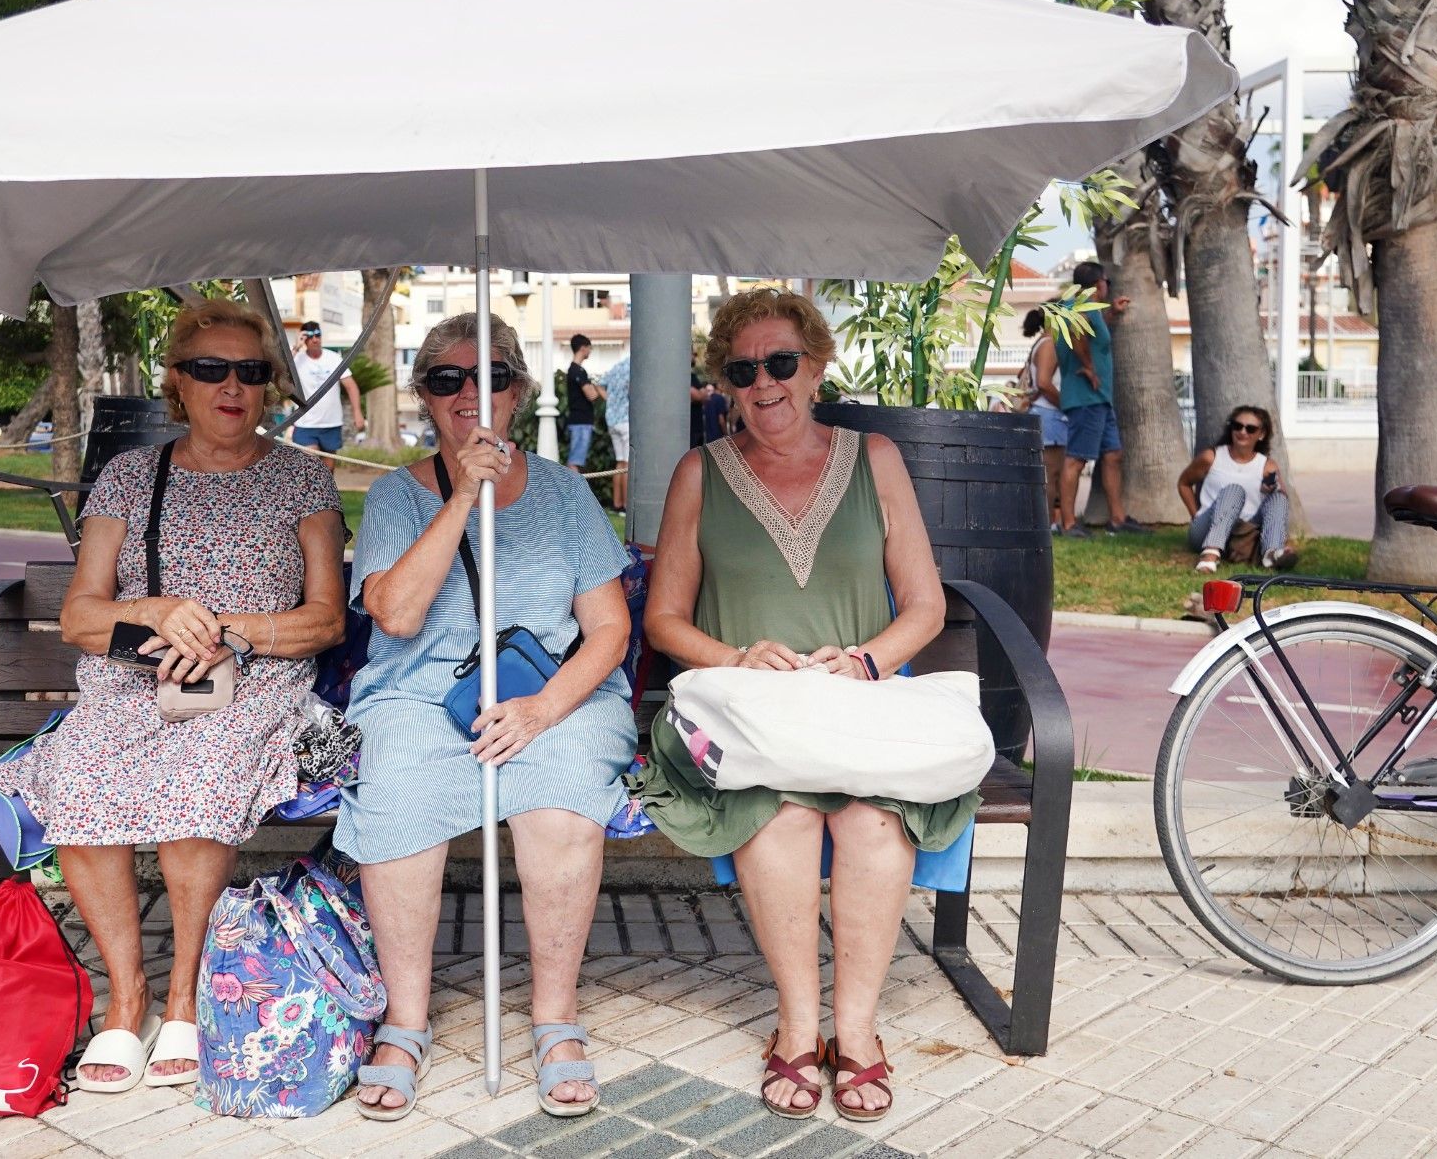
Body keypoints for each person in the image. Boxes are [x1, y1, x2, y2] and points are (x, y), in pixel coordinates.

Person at [0, 298, 347, 1093]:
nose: (233, 387)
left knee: (199, 774)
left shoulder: (301, 477)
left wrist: (235, 630)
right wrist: (149, 609)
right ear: (177, 381)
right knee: (78, 773)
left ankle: (185, 990)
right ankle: (128, 996)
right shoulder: (130, 474)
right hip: (133, 680)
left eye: (250, 372)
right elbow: (80, 615)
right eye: (211, 369)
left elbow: (325, 618)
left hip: (256, 681)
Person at [629, 287, 973, 1125]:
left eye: (781, 362)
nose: (764, 383)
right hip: (743, 721)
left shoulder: (876, 458)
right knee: (780, 814)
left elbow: (924, 607)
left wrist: (865, 661)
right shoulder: (698, 473)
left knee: (871, 817)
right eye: (742, 371)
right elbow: (664, 618)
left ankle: (856, 1031)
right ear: (725, 383)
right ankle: (795, 1023)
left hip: (857, 709)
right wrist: (737, 657)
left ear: (816, 367)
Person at [337, 313, 634, 1123]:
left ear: (520, 390)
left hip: (552, 692)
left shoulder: (568, 494)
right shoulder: (398, 494)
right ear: (426, 397)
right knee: (397, 780)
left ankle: (555, 1019)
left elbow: (609, 631)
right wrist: (463, 493)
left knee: (564, 789)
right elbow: (393, 615)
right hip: (422, 695)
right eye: (448, 379)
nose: (473, 394)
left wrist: (541, 710)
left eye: (493, 375)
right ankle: (405, 1021)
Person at [1053, 262, 1139, 537]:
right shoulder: (1080, 306)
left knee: (1112, 455)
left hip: (1099, 399)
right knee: (1076, 460)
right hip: (1086, 398)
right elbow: (1078, 334)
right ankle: (1067, 523)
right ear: (1098, 283)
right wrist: (1088, 366)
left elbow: (1092, 333)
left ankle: (1117, 518)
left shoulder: (1089, 308)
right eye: (1107, 282)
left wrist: (1112, 312)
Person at [1177, 404, 1299, 573]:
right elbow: (1184, 483)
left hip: (1243, 531)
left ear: (1261, 434)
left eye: (1250, 429)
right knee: (1234, 490)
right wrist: (1196, 514)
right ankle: (1210, 554)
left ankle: (1272, 553)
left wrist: (1270, 489)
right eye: (1237, 426)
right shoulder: (1212, 457)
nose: (1242, 432)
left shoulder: (1267, 465)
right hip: (1208, 527)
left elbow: (1279, 505)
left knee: (1278, 496)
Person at [1017, 308, 1066, 523]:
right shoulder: (1049, 344)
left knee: (1048, 474)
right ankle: (1047, 523)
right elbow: (1044, 383)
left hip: (1042, 412)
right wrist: (1067, 405)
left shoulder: (1040, 344)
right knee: (1051, 474)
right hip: (1050, 414)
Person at [290, 320, 365, 455]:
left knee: (328, 470)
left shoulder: (334, 358)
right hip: (305, 424)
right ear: (304, 339)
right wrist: (296, 346)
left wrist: (357, 413)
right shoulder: (296, 359)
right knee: (311, 466)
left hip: (331, 423)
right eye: (309, 336)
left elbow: (351, 387)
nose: (314, 339)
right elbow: (281, 371)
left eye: (317, 335)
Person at [565, 334, 602, 472]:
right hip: (581, 422)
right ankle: (571, 492)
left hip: (580, 421)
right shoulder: (577, 371)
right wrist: (597, 389)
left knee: (576, 459)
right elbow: (591, 395)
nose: (590, 351)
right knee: (575, 461)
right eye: (589, 348)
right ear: (582, 348)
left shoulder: (574, 370)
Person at [601, 353, 631, 512]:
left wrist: (611, 401)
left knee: (619, 462)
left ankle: (617, 503)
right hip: (625, 419)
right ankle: (626, 505)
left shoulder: (617, 366)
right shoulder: (634, 366)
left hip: (611, 418)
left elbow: (599, 384)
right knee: (627, 464)